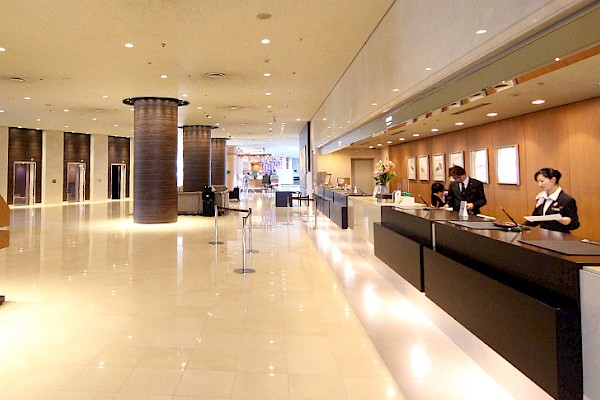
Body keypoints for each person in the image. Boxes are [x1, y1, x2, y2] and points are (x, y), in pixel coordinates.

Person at [523, 168, 579, 233]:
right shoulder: (541, 198)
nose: (539, 184)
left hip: (560, 237)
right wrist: (519, 226)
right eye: (538, 182)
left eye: (542, 181)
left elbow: (575, 224)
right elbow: (536, 218)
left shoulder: (566, 200)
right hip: (544, 236)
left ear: (553, 180)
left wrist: (569, 221)